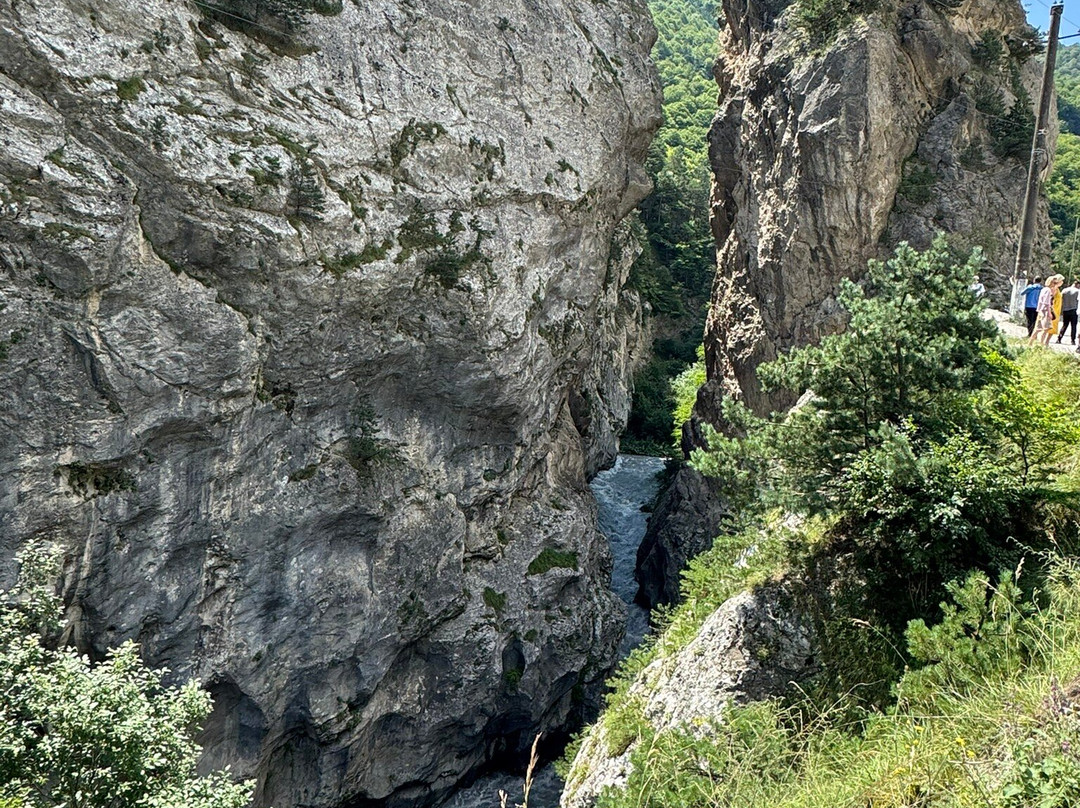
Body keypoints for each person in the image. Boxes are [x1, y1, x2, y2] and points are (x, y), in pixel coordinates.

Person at [1033, 275, 1065, 347]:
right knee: (1046, 327)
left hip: (1056, 309)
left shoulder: (1057, 289)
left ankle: (1046, 342)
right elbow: (1049, 299)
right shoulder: (1052, 289)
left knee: (1052, 328)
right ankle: (1041, 342)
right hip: (1051, 309)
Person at [1059, 279, 1080, 345]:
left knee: (1065, 325)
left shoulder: (1064, 290)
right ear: (1077, 285)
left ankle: (1059, 338)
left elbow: (1060, 299)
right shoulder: (1078, 291)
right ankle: (1072, 340)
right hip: (1074, 310)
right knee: (1073, 326)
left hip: (1065, 310)